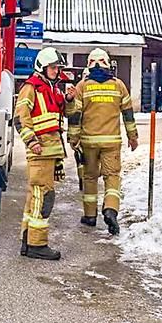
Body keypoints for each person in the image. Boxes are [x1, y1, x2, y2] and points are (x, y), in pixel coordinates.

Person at [67, 48, 138, 236]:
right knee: (112, 176)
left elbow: (75, 115)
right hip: (112, 142)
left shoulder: (82, 86)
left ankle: (90, 216)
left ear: (89, 65)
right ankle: (110, 209)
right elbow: (128, 114)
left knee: (90, 177)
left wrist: (73, 139)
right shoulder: (119, 86)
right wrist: (133, 137)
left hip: (88, 142)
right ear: (108, 63)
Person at [14, 47, 68, 261]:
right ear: (42, 67)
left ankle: (28, 241)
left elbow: (56, 115)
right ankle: (37, 244)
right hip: (40, 151)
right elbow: (21, 117)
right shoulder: (31, 88)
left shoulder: (49, 89)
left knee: (34, 197)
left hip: (49, 152)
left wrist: (69, 99)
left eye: (57, 68)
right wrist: (31, 141)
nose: (57, 71)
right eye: (53, 67)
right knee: (43, 196)